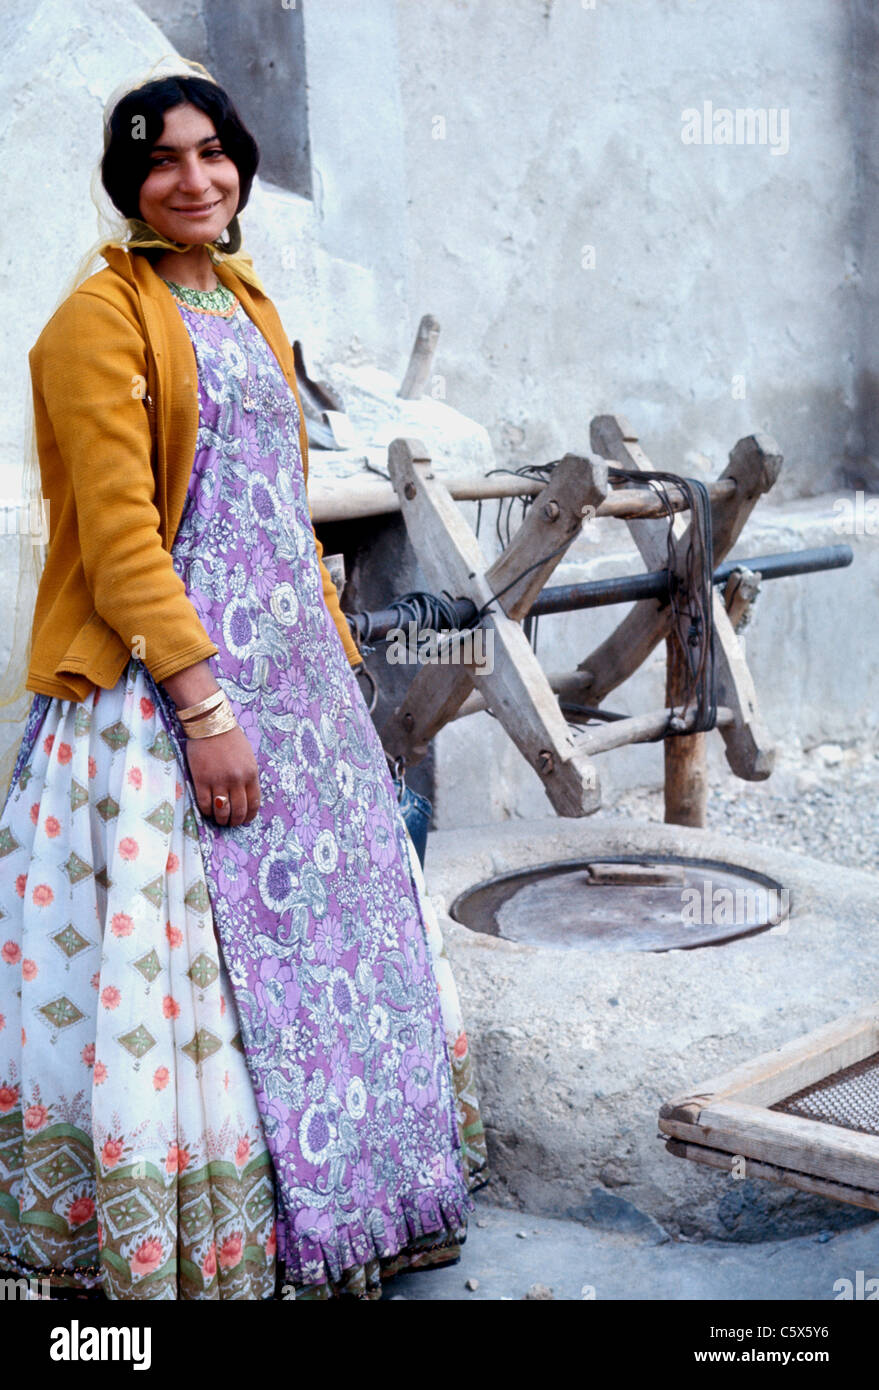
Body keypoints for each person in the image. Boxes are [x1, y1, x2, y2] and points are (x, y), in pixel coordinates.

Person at [0, 58, 487, 1301]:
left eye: (212, 153)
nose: (193, 179)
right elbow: (122, 542)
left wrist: (332, 673)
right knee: (195, 976)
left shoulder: (245, 299)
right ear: (126, 180)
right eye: (162, 159)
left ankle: (350, 1214)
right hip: (166, 697)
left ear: (242, 166)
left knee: (335, 947)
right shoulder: (95, 322)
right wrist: (205, 706)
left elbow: (276, 505)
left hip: (300, 693)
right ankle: (217, 1249)